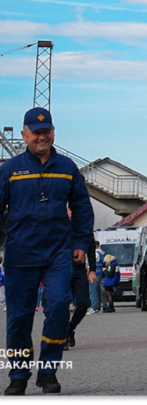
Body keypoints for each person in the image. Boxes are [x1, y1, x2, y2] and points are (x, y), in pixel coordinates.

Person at [0, 107, 94, 396]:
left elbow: (81, 209)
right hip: (20, 254)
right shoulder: (9, 170)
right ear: (25, 133)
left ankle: (49, 371)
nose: (42, 136)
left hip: (58, 254)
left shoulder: (67, 168)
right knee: (18, 318)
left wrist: (80, 245)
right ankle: (18, 375)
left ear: (54, 132)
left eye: (47, 131)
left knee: (57, 309)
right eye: (36, 132)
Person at [65, 209, 96, 348]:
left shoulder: (84, 228)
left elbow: (91, 249)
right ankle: (62, 337)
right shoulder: (59, 225)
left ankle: (70, 329)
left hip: (79, 270)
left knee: (84, 304)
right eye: (69, 211)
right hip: (61, 270)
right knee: (61, 304)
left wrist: (93, 271)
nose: (71, 214)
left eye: (73, 211)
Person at [88, 240, 104, 314]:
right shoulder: (102, 253)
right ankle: (97, 306)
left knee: (93, 291)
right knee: (97, 291)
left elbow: (90, 265)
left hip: (94, 273)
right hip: (100, 272)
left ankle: (94, 307)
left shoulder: (95, 253)